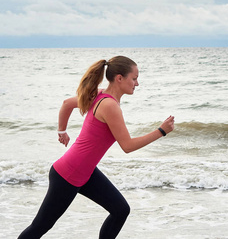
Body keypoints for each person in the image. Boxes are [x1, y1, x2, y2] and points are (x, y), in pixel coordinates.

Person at [19, 55, 175, 239]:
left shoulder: (101, 95)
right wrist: (161, 131)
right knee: (40, 226)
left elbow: (67, 104)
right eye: (134, 78)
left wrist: (62, 131)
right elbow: (127, 146)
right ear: (119, 78)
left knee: (120, 210)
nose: (137, 84)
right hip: (68, 174)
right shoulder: (109, 105)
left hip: (85, 172)